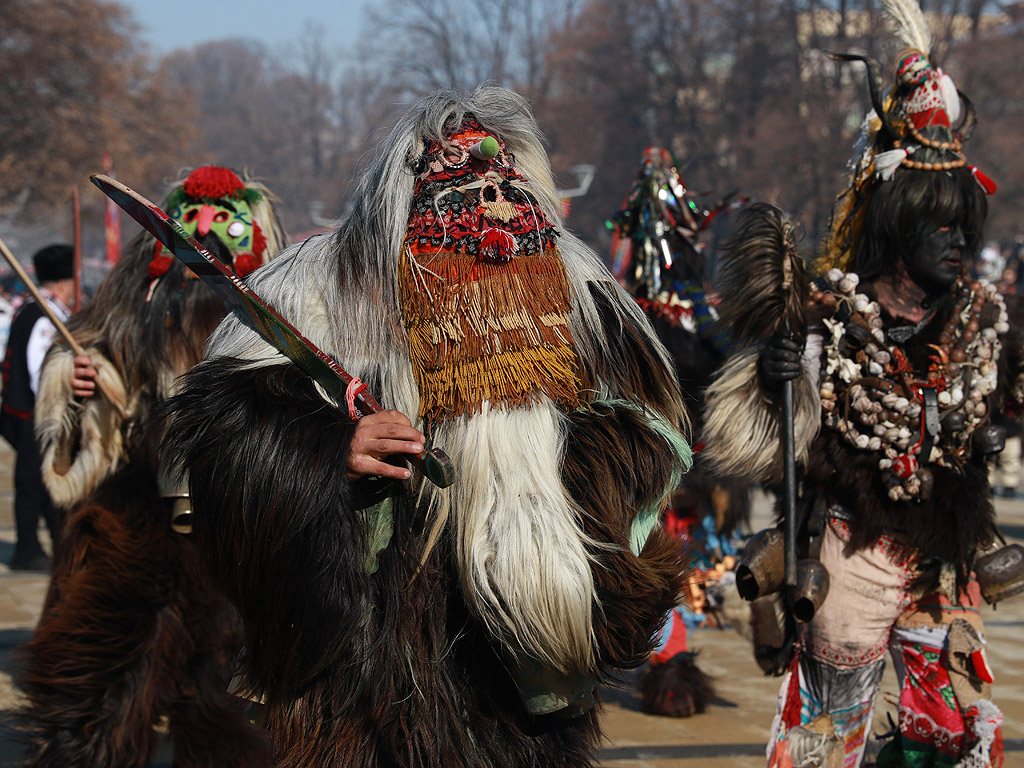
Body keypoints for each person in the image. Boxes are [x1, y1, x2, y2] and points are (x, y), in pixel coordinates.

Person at [159, 86, 692, 767]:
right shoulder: (311, 289)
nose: (486, 203)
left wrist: (546, 476)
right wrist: (331, 450)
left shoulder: (578, 288)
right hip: (364, 644)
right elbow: (221, 432)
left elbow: (651, 427)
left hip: (525, 650)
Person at [702, 4, 1011, 766]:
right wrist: (775, 387)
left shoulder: (985, 319)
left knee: (948, 730)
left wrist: (993, 426)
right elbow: (746, 447)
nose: (958, 240)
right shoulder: (828, 319)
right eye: (939, 222)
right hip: (847, 557)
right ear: (899, 220)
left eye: (964, 222)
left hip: (944, 561)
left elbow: (1000, 402)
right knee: (823, 738)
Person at [16, 167, 287, 768]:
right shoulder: (133, 311)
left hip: (238, 530)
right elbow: (83, 355)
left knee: (228, 708)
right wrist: (81, 381)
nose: (200, 272)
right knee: (102, 693)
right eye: (189, 256)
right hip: (138, 525)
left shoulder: (272, 322)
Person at [0, 244, 74, 571]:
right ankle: (27, 551)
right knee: (30, 485)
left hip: (32, 413)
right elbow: (38, 371)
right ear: (63, 284)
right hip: (34, 414)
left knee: (43, 486)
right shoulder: (45, 318)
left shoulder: (41, 310)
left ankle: (58, 543)